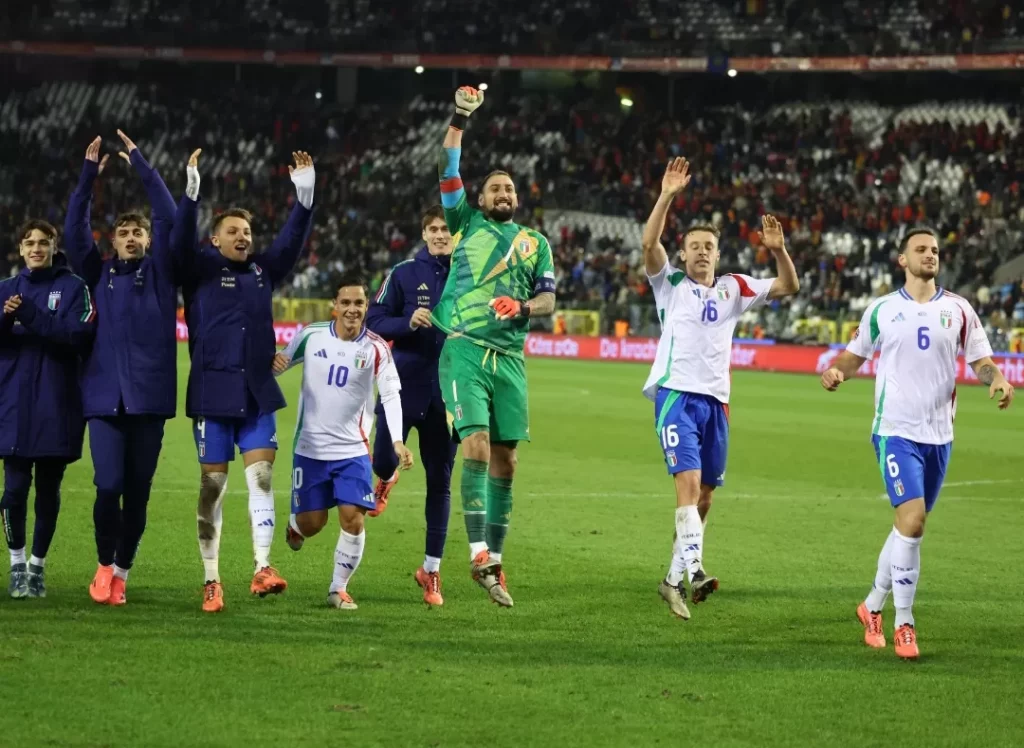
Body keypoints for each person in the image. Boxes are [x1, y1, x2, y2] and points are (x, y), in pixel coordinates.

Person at [821, 227, 1014, 659]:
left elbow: (980, 360)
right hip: (894, 430)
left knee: (908, 528)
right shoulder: (882, 310)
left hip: (939, 435)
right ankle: (903, 622)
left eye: (935, 251)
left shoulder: (959, 309)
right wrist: (837, 371)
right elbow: (855, 355)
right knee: (913, 520)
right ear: (902, 261)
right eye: (921, 250)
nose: (930, 255)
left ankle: (871, 605)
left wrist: (997, 377)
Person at [641, 157, 800, 621]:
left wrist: (778, 250)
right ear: (684, 254)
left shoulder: (734, 287)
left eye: (709, 246)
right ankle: (694, 571)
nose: (702, 252)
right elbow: (650, 242)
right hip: (676, 396)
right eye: (694, 246)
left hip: (717, 402)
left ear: (717, 251)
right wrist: (667, 195)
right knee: (687, 487)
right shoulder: (669, 283)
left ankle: (671, 580)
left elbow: (789, 285)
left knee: (705, 496)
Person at [173, 149, 315, 613]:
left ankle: (262, 566)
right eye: (233, 232)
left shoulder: (261, 272)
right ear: (213, 240)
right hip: (212, 394)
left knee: (261, 477)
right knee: (212, 486)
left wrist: (304, 197)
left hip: (255, 393)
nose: (243, 237)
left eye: (248, 232)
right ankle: (211, 579)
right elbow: (177, 246)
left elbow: (290, 245)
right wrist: (191, 194)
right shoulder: (197, 271)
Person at [432, 86, 557, 607]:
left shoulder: (535, 243)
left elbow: (549, 302)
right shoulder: (466, 223)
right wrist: (460, 116)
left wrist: (523, 308)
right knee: (477, 446)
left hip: (511, 359)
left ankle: (496, 564)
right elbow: (447, 168)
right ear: (480, 200)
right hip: (464, 347)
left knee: (507, 462)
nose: (503, 194)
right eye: (494, 189)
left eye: (509, 189)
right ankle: (478, 550)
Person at [63, 132, 185, 606]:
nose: (132, 237)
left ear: (148, 240)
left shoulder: (162, 274)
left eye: (139, 232)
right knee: (107, 484)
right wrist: (87, 177)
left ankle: (123, 572)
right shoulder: (97, 274)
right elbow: (74, 229)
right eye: (124, 232)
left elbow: (170, 215)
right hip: (103, 399)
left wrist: (141, 163)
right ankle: (103, 564)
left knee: (137, 494)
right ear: (112, 240)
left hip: (149, 402)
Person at [274, 275, 414, 609]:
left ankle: (338, 588)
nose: (352, 310)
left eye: (359, 304)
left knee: (354, 518)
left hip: (353, 451)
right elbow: (280, 364)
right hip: (310, 450)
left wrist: (396, 441)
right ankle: (296, 525)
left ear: (367, 307)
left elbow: (392, 395)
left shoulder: (376, 348)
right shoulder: (311, 335)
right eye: (346, 303)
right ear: (334, 306)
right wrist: (271, 362)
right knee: (313, 524)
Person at [365, 205, 456, 606]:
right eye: (433, 229)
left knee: (441, 482)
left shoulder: (468, 275)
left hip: (449, 396)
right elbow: (373, 319)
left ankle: (431, 570)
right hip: (401, 388)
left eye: (446, 229)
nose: (440, 235)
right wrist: (407, 323)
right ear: (424, 234)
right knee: (381, 460)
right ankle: (386, 478)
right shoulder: (403, 273)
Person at [0, 220, 96, 598]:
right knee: (13, 492)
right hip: (13, 406)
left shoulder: (74, 288)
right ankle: (16, 565)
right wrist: (6, 318)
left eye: (44, 242)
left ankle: (37, 568)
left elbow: (78, 335)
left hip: (58, 404)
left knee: (47, 492)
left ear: (55, 247)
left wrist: (29, 317)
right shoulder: (6, 290)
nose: (36, 248)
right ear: (20, 249)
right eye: (29, 243)